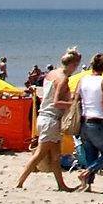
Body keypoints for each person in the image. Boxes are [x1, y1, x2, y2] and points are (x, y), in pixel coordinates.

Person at [15, 49, 80, 192]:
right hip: (50, 119)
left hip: (45, 117)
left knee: (56, 155)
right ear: (73, 65)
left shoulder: (51, 74)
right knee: (40, 154)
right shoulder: (63, 79)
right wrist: (74, 104)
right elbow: (57, 102)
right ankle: (19, 182)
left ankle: (61, 185)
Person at [72, 53, 103, 189]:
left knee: (91, 155)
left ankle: (87, 185)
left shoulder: (82, 80)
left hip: (84, 122)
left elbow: (75, 98)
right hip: (97, 122)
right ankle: (87, 172)